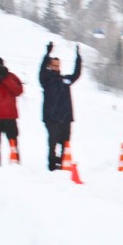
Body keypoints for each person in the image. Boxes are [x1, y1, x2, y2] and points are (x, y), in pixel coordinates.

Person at [39, 41, 82, 171]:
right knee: (52, 142)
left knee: (65, 143)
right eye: (54, 65)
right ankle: (52, 165)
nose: (56, 67)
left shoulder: (65, 80)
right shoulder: (46, 80)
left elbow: (76, 75)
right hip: (51, 118)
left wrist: (78, 58)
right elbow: (41, 72)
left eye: (58, 65)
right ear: (50, 66)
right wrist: (47, 55)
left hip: (66, 117)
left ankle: (63, 163)